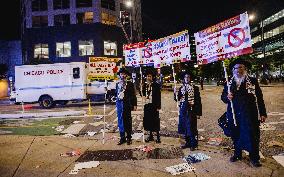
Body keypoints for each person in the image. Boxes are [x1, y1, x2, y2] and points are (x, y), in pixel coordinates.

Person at [221, 59, 267, 167]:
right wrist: (227, 97)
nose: (238, 70)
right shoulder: (229, 82)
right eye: (236, 68)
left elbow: (259, 98)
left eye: (241, 67)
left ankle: (254, 158)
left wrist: (263, 113)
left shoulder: (252, 81)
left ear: (245, 69)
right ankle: (237, 154)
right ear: (233, 70)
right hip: (234, 114)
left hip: (249, 114)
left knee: (252, 135)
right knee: (236, 134)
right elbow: (223, 97)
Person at [174, 72, 202, 150]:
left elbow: (198, 101)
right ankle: (187, 143)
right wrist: (175, 92)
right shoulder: (181, 88)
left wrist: (198, 113)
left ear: (190, 78)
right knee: (185, 127)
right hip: (183, 109)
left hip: (191, 109)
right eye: (185, 77)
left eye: (188, 77)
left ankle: (193, 144)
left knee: (192, 127)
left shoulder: (195, 88)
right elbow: (177, 99)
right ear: (184, 79)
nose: (187, 78)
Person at [115, 68, 137, 145]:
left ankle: (129, 138)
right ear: (119, 75)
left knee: (127, 121)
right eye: (121, 74)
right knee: (120, 121)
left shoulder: (130, 84)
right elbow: (116, 94)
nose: (123, 76)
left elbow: (133, 95)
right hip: (119, 104)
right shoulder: (117, 84)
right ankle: (122, 138)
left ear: (126, 75)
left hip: (127, 104)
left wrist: (134, 104)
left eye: (124, 74)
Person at [142, 69, 162, 143]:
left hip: (154, 106)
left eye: (150, 76)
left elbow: (158, 96)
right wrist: (141, 89)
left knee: (155, 121)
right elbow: (143, 94)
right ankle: (150, 136)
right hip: (147, 105)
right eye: (147, 76)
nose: (148, 77)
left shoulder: (156, 85)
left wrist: (158, 106)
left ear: (152, 77)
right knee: (148, 121)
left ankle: (158, 137)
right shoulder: (145, 85)